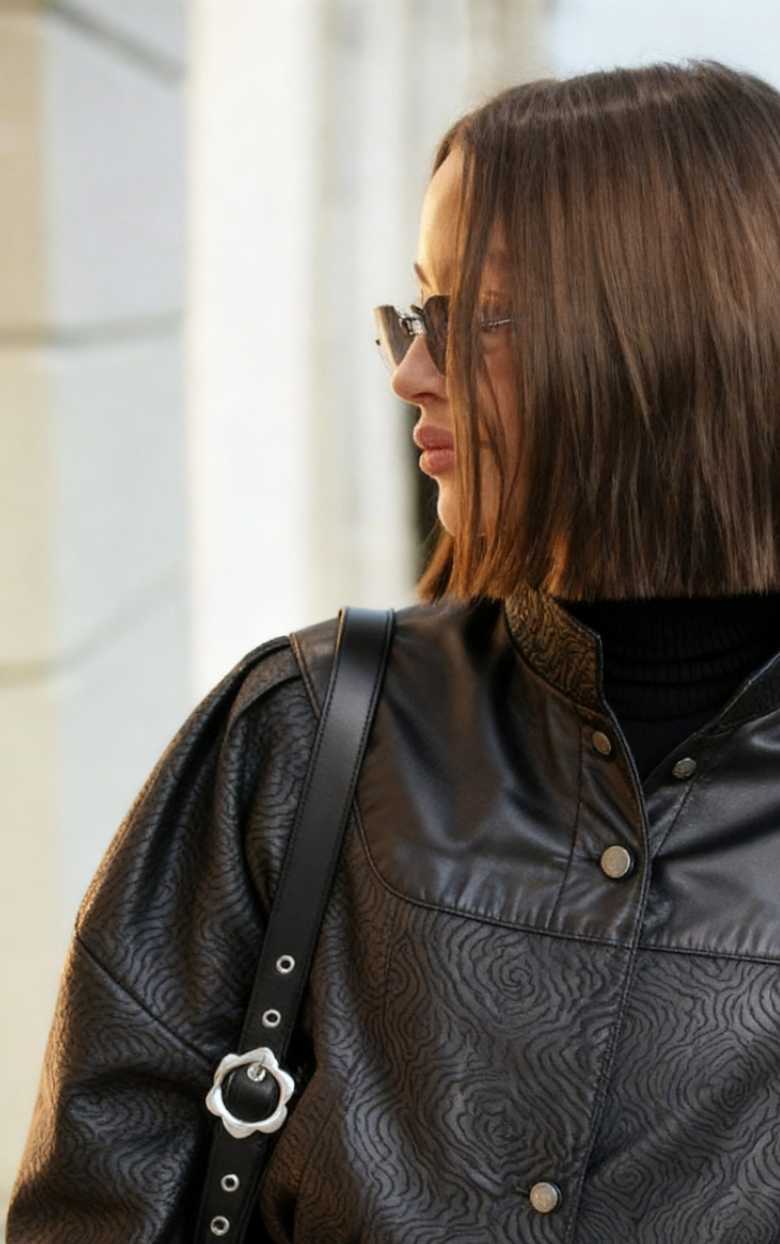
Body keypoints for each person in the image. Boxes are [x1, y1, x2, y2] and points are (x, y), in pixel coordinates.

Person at [8, 55, 780, 1243]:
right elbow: (98, 1207)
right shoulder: (307, 730)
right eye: (417, 314)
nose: (413, 372)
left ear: (673, 336)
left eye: (475, 318)